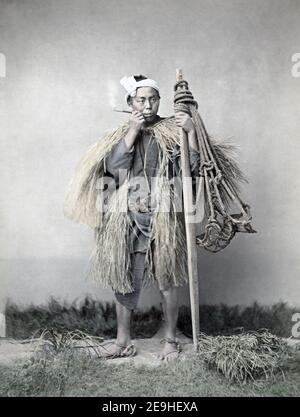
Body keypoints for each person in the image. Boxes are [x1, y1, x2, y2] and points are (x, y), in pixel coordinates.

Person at [64, 74, 200, 361]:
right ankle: (123, 340)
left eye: (153, 99)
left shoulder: (171, 130)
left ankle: (171, 340)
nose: (148, 105)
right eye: (141, 100)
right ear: (131, 102)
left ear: (159, 101)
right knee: (125, 277)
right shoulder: (122, 133)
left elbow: (192, 166)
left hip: (162, 214)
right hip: (127, 216)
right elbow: (113, 169)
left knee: (167, 277)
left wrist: (191, 132)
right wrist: (132, 131)